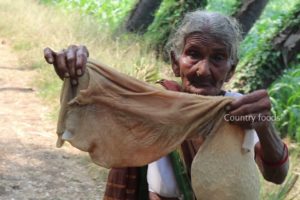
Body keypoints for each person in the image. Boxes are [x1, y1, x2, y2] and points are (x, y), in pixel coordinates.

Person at [44, 10, 289, 200]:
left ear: (231, 70)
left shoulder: (241, 110)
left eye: (218, 58)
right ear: (175, 62)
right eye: (193, 54)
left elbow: (276, 176)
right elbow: (102, 102)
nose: (203, 69)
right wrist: (77, 71)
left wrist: (265, 127)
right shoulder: (153, 105)